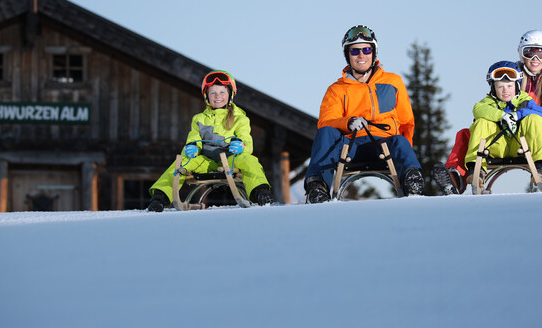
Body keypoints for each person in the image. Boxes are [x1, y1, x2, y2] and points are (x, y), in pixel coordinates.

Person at [432, 30, 542, 194]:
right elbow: (482, 108)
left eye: (541, 54)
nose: (535, 59)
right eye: (529, 53)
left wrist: (523, 118)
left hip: (535, 138)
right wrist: (501, 117)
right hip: (499, 137)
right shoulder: (508, 74)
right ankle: (456, 177)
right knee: (467, 133)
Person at [303, 25, 425, 203]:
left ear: (373, 53)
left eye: (366, 49)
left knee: (400, 139)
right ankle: (318, 187)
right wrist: (349, 122)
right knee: (326, 132)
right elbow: (326, 121)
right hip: (350, 145)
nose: (361, 55)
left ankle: (412, 179)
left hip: (383, 144)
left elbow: (407, 123)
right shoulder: (337, 90)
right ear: (348, 55)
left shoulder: (393, 82)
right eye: (355, 51)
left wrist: (406, 155)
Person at [147, 70, 275, 211]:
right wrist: (191, 147)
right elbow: (193, 138)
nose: (217, 96)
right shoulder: (199, 119)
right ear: (207, 96)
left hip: (232, 159)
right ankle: (159, 198)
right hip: (206, 161)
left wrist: (241, 146)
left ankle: (259, 192)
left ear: (230, 94)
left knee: (249, 160)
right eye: (213, 93)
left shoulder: (240, 119)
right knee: (181, 162)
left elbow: (246, 141)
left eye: (222, 92)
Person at [462, 61, 542, 185]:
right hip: (495, 146)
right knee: (482, 122)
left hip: (520, 146)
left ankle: (540, 167)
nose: (505, 90)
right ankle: (477, 169)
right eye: (500, 87)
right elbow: (478, 109)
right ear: (493, 87)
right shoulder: (488, 102)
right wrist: (501, 116)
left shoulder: (525, 100)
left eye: (509, 86)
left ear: (517, 85)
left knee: (535, 119)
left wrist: (518, 114)